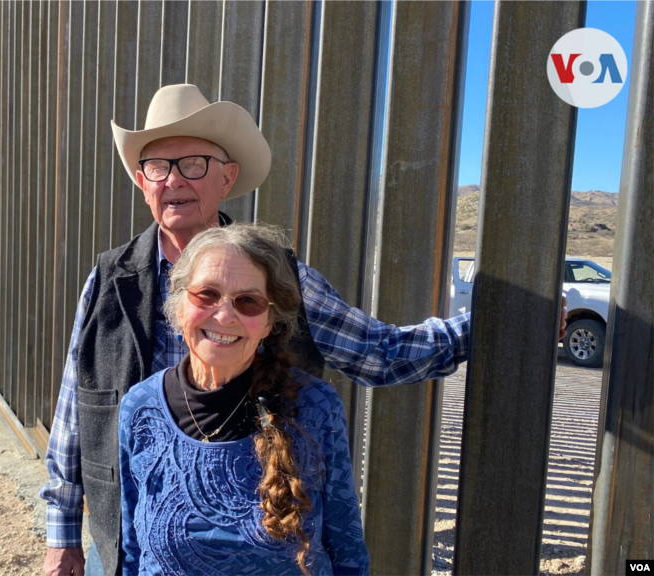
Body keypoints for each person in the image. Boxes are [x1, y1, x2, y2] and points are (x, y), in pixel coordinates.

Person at [40, 84, 567, 576]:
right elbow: (76, 406)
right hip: (149, 541)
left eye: (193, 163)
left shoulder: (281, 276)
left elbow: (379, 353)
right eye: (157, 165)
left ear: (227, 177)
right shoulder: (110, 280)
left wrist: (501, 325)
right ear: (142, 181)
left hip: (268, 533)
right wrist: (62, 533)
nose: (173, 178)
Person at [119, 223, 369, 575]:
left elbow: (347, 551)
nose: (224, 315)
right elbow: (133, 551)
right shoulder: (140, 408)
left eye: (248, 301)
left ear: (269, 321)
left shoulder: (314, 407)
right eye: (206, 294)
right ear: (178, 305)